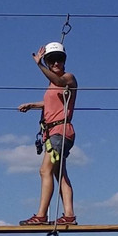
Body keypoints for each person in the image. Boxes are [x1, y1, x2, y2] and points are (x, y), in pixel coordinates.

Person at [17, 41, 78, 225]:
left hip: (60, 132)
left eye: (59, 59)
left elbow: (59, 82)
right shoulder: (52, 85)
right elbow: (52, 103)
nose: (56, 63)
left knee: (45, 170)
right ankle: (69, 215)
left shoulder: (68, 78)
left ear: (64, 60)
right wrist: (32, 105)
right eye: (52, 61)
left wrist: (40, 64)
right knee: (60, 174)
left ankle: (41, 215)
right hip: (53, 132)